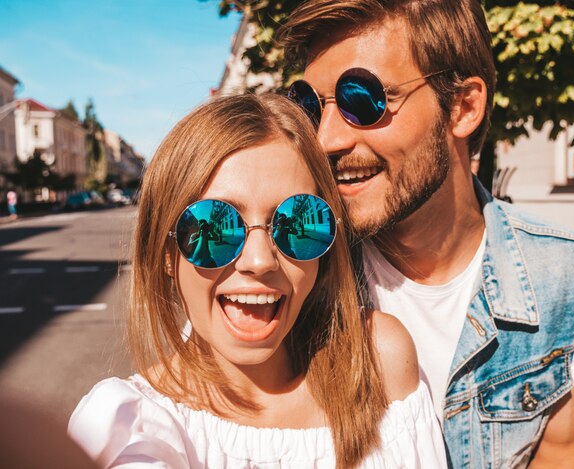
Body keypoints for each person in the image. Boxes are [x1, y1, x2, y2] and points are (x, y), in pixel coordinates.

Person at [279, 1, 574, 467]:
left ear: (463, 107)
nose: (326, 140)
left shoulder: (561, 275)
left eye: (362, 98)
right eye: (309, 106)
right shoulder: (283, 271)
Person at [68, 94, 446, 468]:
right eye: (215, 225)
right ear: (167, 253)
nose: (260, 260)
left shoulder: (377, 362)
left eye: (299, 223)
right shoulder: (129, 429)